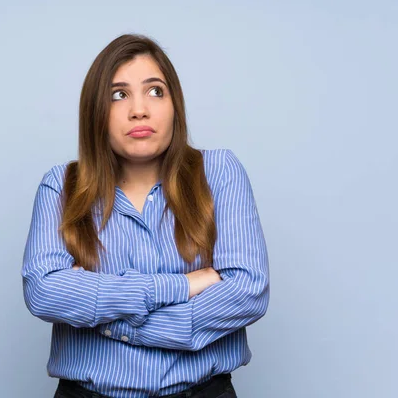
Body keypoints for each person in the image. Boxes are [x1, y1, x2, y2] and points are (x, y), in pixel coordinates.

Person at [21, 33, 270, 398]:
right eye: (118, 95)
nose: (139, 109)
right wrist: (181, 286)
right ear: (96, 112)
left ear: (175, 105)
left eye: (155, 91)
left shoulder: (219, 172)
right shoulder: (61, 186)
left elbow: (247, 291)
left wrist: (115, 323)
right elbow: (44, 291)